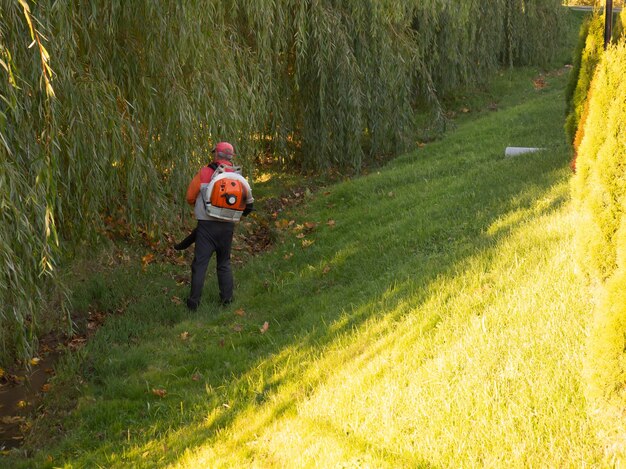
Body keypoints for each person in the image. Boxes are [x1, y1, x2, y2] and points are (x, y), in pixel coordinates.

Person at [181, 141, 253, 310]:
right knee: (224, 263)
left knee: (200, 264)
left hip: (206, 227)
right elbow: (248, 206)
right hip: (227, 227)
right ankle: (227, 300)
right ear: (231, 157)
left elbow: (190, 196)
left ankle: (193, 303)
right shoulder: (239, 177)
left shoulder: (205, 172)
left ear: (216, 155)